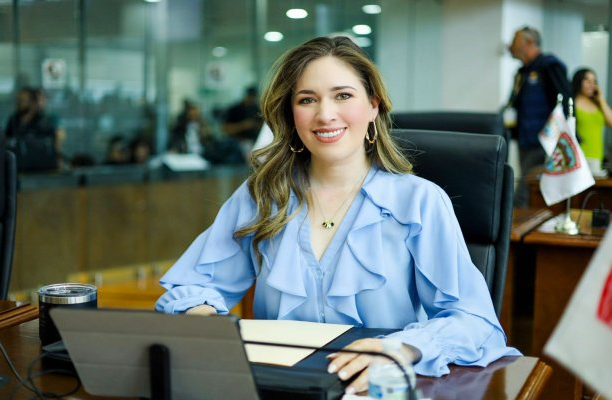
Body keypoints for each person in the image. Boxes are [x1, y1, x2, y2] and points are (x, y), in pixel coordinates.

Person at [156, 36, 519, 393]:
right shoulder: (263, 195)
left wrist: (401, 349)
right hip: (282, 388)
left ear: (373, 106)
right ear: (291, 114)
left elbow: (475, 322)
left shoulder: (419, 202)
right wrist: (203, 321)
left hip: (378, 389)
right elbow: (192, 285)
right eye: (307, 99)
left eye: (343, 95)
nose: (325, 114)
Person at [506, 26, 571, 207]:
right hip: (525, 141)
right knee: (530, 187)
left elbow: (564, 102)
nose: (511, 45)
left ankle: (515, 222)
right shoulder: (523, 73)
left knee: (525, 190)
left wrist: (558, 138)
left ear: (529, 42)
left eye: (515, 40)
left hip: (544, 142)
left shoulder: (549, 66)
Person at [4, 86, 61, 171]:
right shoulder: (13, 120)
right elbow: (7, 140)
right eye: (18, 100)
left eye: (23, 100)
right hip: (19, 167)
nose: (19, 103)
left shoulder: (44, 121)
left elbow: (53, 144)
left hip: (42, 168)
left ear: (32, 102)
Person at [572, 68, 612, 171]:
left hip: (597, 157)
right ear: (579, 81)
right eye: (587, 81)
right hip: (578, 158)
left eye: (594, 82)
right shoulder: (572, 103)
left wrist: (601, 99)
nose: (591, 85)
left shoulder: (598, 105)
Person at [222, 85, 263, 160]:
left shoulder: (256, 109)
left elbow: (262, 127)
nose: (251, 100)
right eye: (250, 97)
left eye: (253, 97)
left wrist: (255, 125)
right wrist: (243, 125)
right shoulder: (234, 109)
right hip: (236, 143)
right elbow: (225, 129)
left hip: (253, 142)